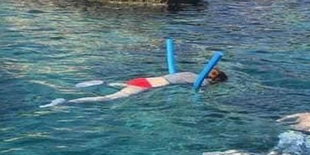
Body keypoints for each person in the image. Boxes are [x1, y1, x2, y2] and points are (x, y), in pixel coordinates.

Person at [41, 68, 228, 107]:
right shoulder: (202, 82)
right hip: (149, 86)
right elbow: (197, 92)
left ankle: (103, 82)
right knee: (109, 99)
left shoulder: (191, 74)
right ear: (216, 80)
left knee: (121, 88)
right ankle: (66, 102)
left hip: (144, 79)